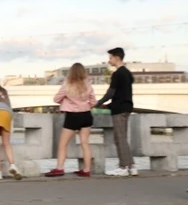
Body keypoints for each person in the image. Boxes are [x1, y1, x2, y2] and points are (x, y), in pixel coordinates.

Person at [45, 63, 96, 177]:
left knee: (63, 144)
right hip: (86, 115)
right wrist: (84, 106)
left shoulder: (67, 85)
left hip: (72, 116)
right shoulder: (88, 85)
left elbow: (56, 99)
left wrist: (67, 102)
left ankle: (60, 168)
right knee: (85, 143)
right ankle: (87, 170)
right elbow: (93, 102)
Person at [96, 47, 136, 176]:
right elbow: (123, 93)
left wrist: (99, 103)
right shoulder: (128, 73)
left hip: (119, 109)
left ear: (117, 58)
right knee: (122, 138)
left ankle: (123, 166)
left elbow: (111, 93)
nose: (109, 61)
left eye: (110, 58)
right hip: (127, 107)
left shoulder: (118, 74)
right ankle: (131, 166)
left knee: (120, 138)